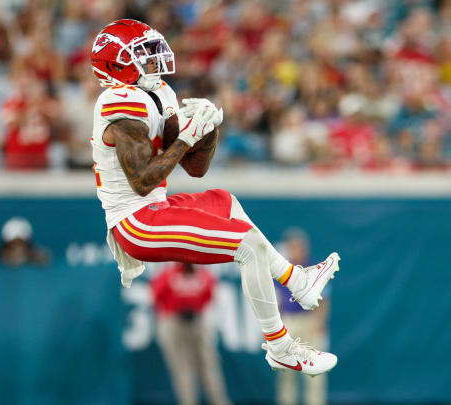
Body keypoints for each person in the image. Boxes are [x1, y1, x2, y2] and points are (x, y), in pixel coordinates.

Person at [89, 19, 341, 376]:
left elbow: (195, 168)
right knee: (247, 245)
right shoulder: (118, 104)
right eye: (141, 53)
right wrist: (186, 138)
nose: (152, 58)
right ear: (118, 63)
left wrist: (206, 129)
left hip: (155, 206)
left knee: (225, 200)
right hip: (136, 222)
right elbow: (144, 180)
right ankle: (280, 346)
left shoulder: (156, 92)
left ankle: (297, 281)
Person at [151, 262, 231, 405]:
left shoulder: (203, 274)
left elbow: (209, 295)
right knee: (183, 369)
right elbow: (155, 296)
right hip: (174, 322)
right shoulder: (168, 274)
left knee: (209, 367)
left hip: (197, 321)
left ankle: (220, 401)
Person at [274, 229, 330, 405]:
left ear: (304, 249)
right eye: (291, 247)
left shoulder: (314, 270)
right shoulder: (283, 271)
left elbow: (324, 300)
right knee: (286, 371)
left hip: (309, 321)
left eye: (297, 247)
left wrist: (320, 324)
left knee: (314, 373)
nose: (294, 251)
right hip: (289, 323)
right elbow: (277, 300)